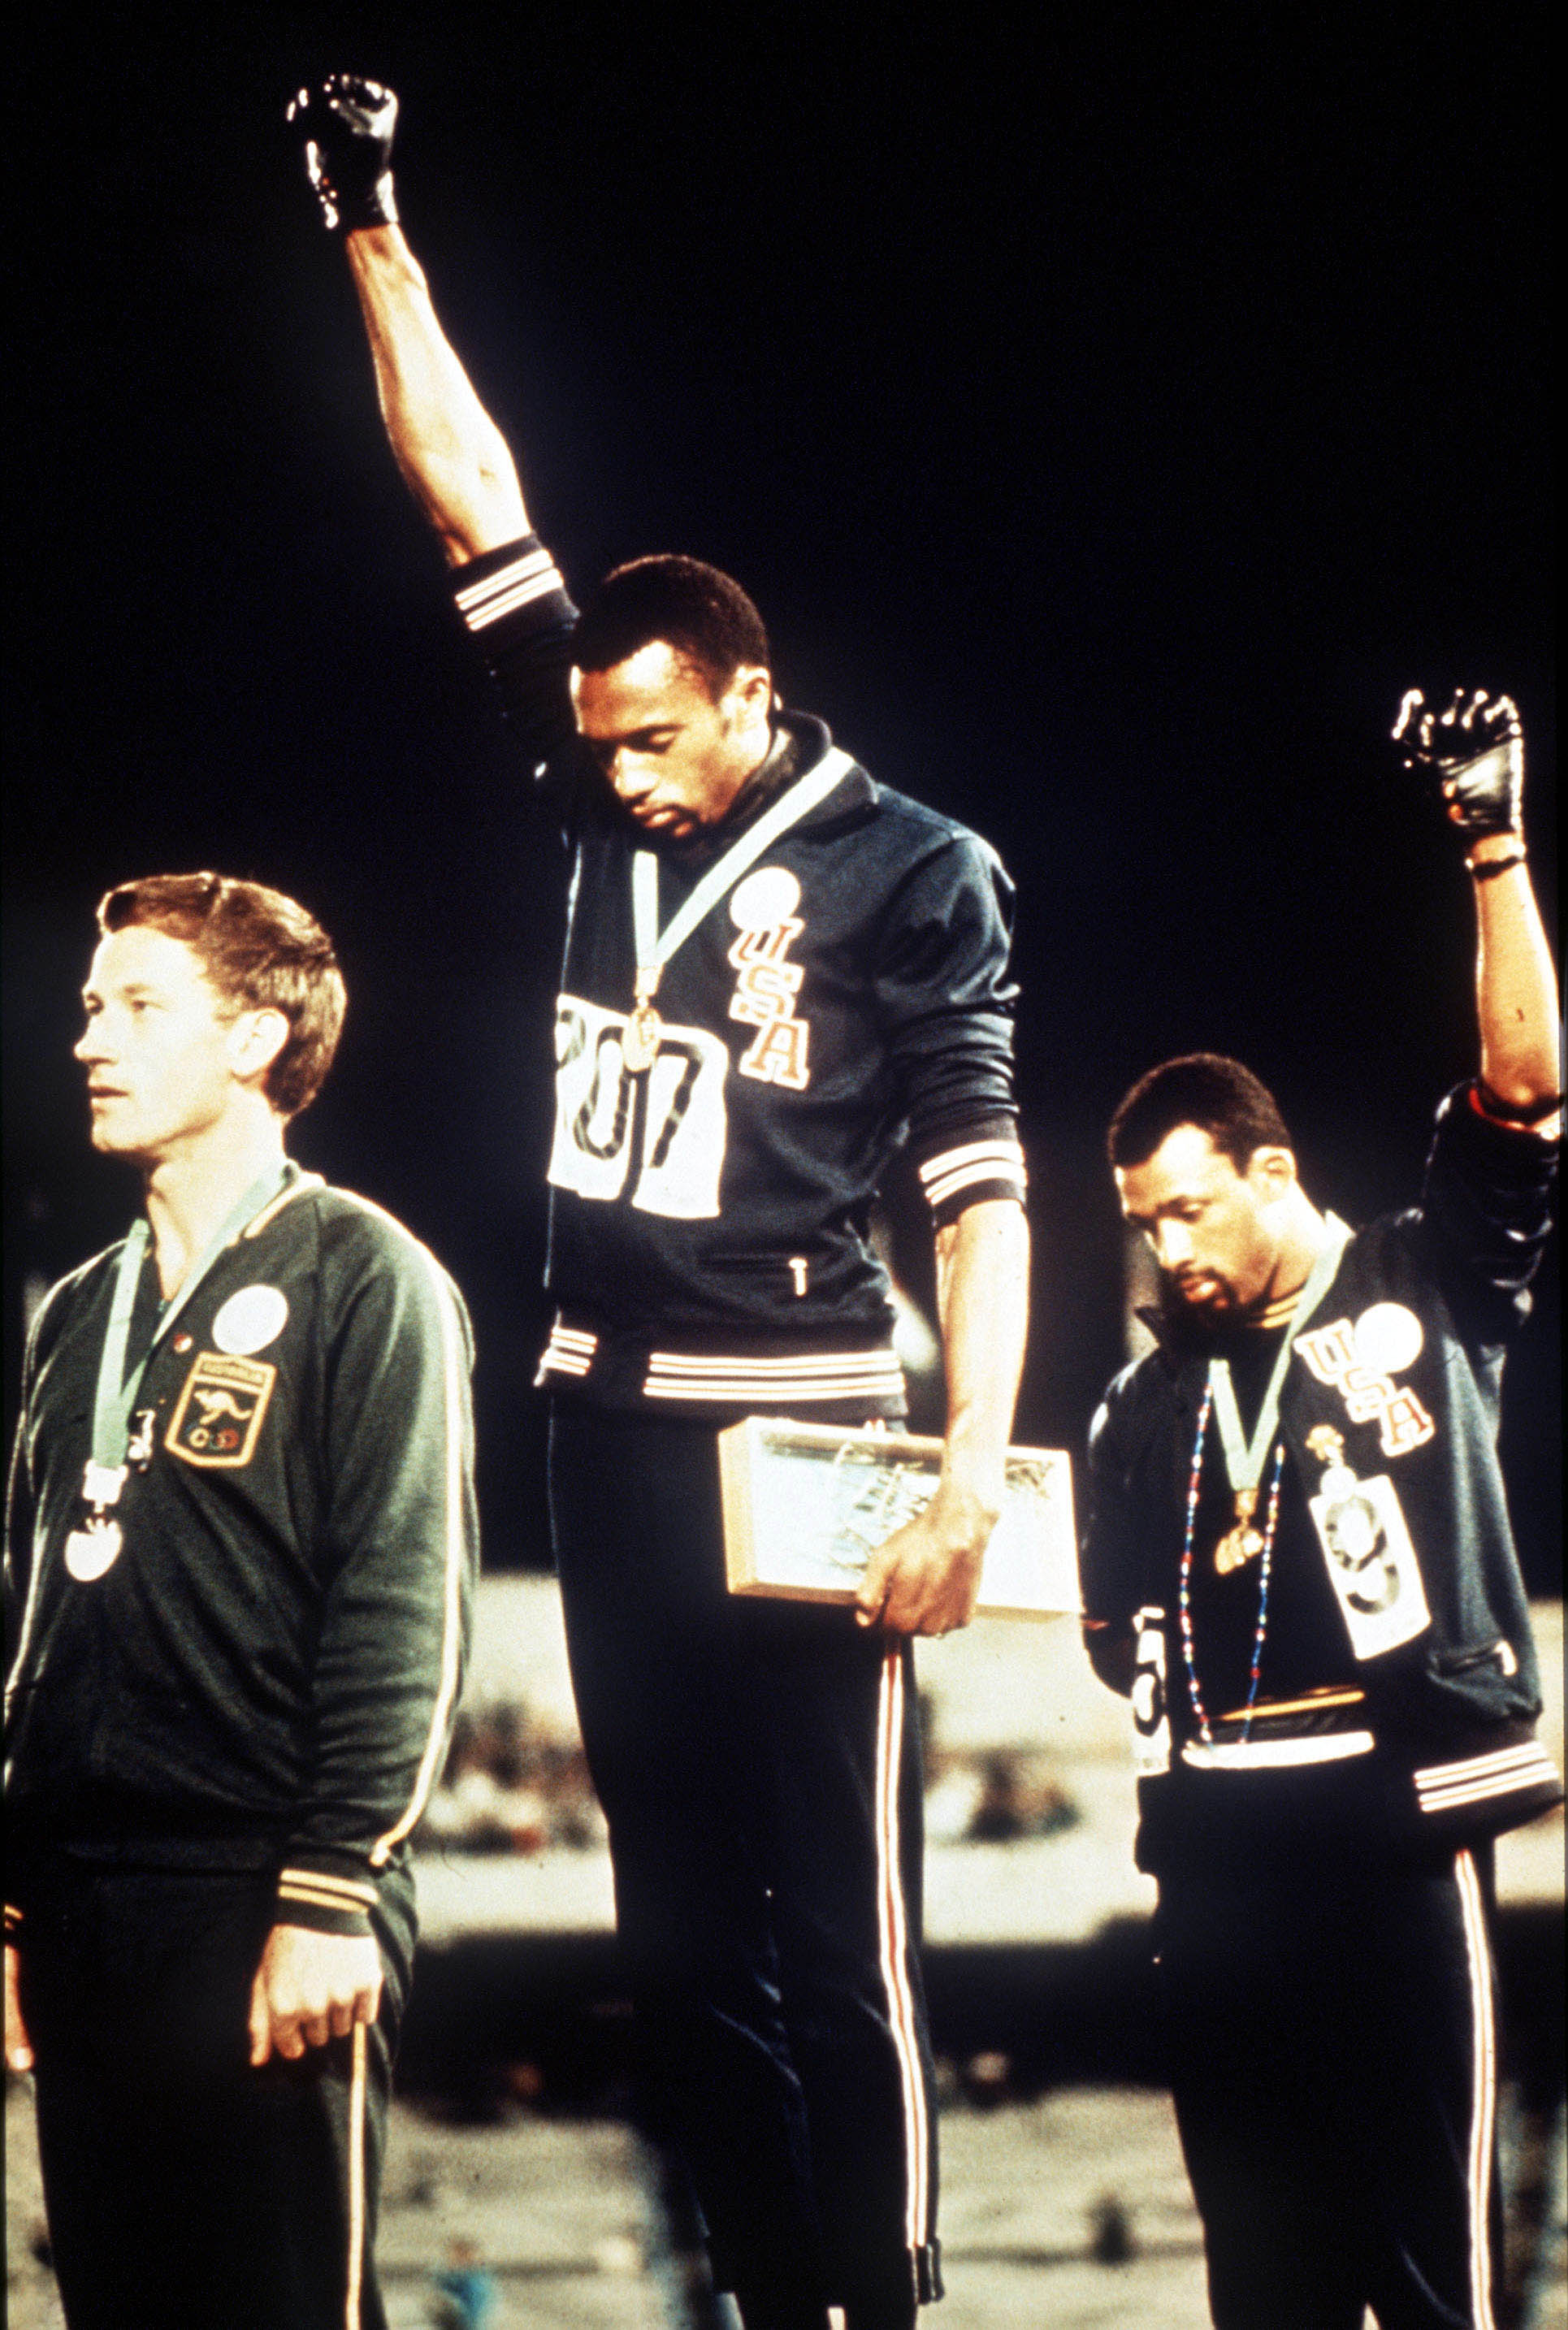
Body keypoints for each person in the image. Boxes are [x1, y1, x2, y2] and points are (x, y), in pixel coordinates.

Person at [288, 76, 1030, 2328]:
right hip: (603, 1415)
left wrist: (973, 1475)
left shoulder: (918, 869)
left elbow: (981, 1194)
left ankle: (884, 2299)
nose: (604, 776)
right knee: (678, 1934)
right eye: (592, 741)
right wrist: (368, 225)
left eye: (649, 743)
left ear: (751, 700)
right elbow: (466, 500)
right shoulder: (595, 767)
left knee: (842, 1929)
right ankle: (763, 2301)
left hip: (812, 1424)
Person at [1080, 688, 1562, 2329]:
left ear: (1271, 1175)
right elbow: (1098, 1631)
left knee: (1433, 2274)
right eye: (1144, 1226)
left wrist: (1487, 839)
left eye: (1190, 1211)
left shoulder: (1420, 1280)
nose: (1168, 1253)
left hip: (1384, 1827)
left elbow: (1519, 1090)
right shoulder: (1140, 1401)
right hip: (1210, 1848)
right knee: (1259, 2290)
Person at [4, 873, 478, 2330]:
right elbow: (28, 1622)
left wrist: (335, 1889)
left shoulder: (366, 1276)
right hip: (84, 1905)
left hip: (264, 1892)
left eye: (141, 1008)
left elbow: (406, 1604)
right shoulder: (78, 1311)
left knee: (275, 2304)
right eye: (93, 1007)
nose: (92, 1040)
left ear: (257, 1037)